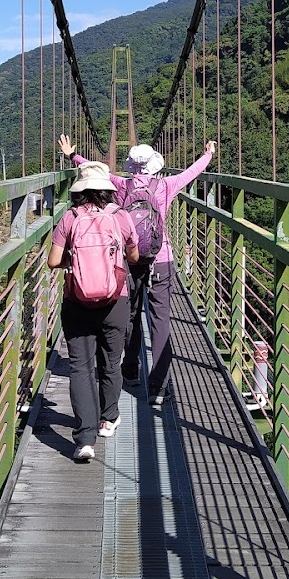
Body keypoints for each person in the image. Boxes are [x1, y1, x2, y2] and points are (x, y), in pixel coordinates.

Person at [59, 133, 215, 407]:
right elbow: (192, 173)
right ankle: (158, 387)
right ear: (155, 164)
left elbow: (94, 170)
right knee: (160, 320)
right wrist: (208, 154)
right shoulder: (167, 185)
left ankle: (130, 371)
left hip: (127, 260)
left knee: (129, 315)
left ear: (131, 165)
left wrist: (73, 155)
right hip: (160, 259)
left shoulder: (119, 185)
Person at [47, 160, 139, 462]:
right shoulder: (121, 216)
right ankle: (108, 419)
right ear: (107, 191)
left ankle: (84, 438)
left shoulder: (69, 218)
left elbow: (53, 261)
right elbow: (134, 256)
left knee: (80, 368)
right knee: (112, 361)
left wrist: (78, 264)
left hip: (77, 301)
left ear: (79, 192)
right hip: (116, 299)